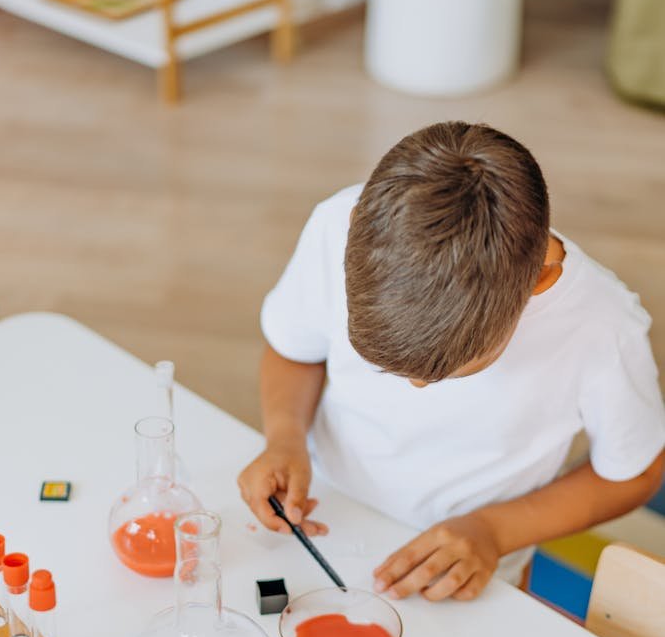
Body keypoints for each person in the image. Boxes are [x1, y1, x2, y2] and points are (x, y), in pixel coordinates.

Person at [237, 121, 665, 602]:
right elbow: (293, 351)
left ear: (536, 286)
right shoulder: (332, 225)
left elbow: (635, 471)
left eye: (451, 372)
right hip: (331, 515)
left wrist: (493, 531)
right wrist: (285, 437)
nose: (416, 388)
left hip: (472, 567)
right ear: (355, 226)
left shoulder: (603, 325)